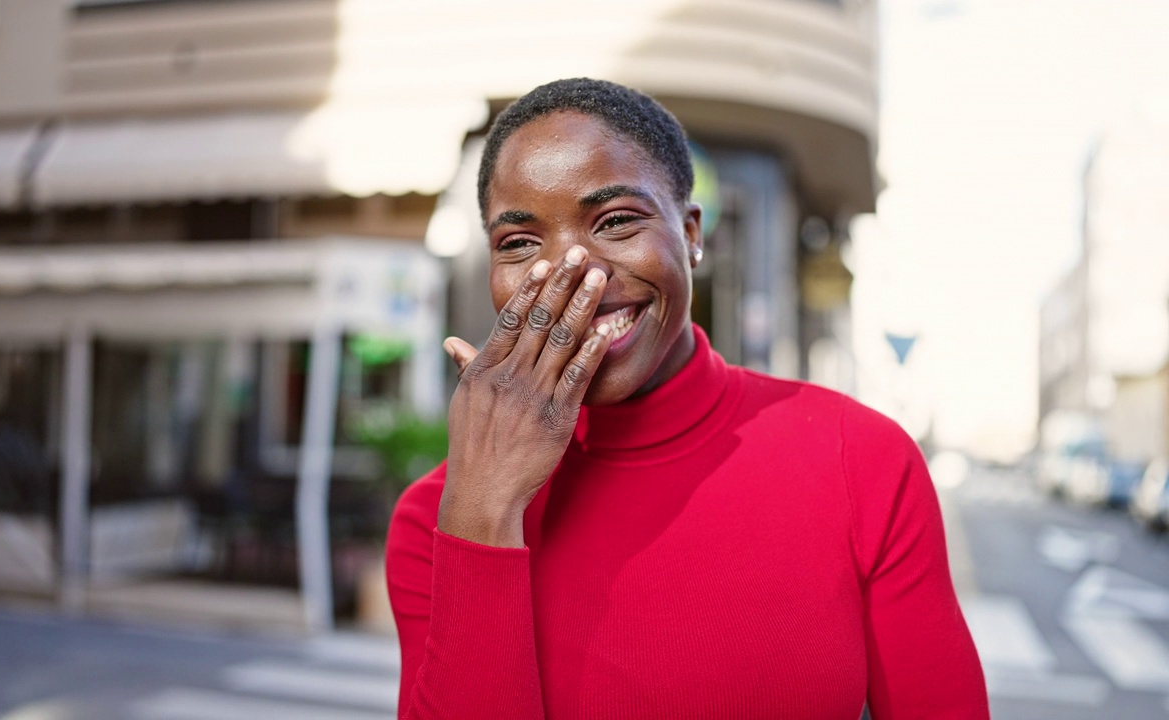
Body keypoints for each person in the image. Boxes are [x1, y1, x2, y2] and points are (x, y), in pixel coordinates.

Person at [385, 78, 988, 719]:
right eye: (520, 242)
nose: (574, 274)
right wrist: (485, 515)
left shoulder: (859, 460)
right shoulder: (438, 519)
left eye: (616, 221)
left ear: (692, 233)